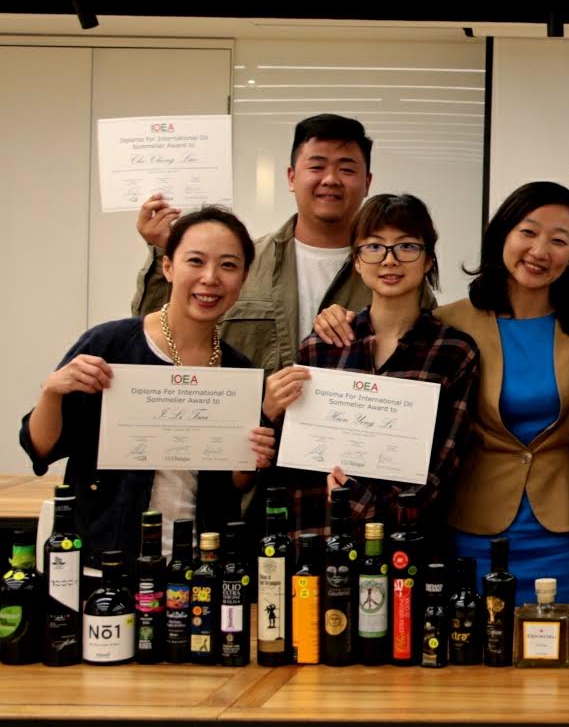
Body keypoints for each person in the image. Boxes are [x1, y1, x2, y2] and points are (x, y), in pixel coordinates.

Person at [317, 183, 569, 604]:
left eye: (559, 240)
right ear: (502, 235)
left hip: (566, 529)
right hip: (473, 525)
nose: (540, 250)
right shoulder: (451, 322)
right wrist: (337, 316)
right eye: (528, 232)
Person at [20, 206, 276, 563]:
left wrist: (251, 459)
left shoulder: (239, 371)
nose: (210, 278)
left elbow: (230, 484)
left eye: (228, 265)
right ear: (168, 266)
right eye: (195, 261)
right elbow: (40, 447)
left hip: (198, 564)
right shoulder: (109, 345)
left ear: (244, 277)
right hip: (108, 559)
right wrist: (51, 392)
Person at [265, 194, 478, 538]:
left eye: (407, 246)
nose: (390, 260)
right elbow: (288, 462)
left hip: (404, 548)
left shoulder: (453, 352)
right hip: (314, 540)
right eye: (374, 247)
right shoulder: (320, 347)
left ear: (428, 260)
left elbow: (441, 471)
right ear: (357, 261)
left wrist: (358, 499)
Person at [132, 114, 390, 376]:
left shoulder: (392, 273)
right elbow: (160, 336)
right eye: (317, 167)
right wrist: (165, 250)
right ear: (291, 178)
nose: (331, 179)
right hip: (244, 404)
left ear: (367, 183)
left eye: (347, 170)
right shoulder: (240, 264)